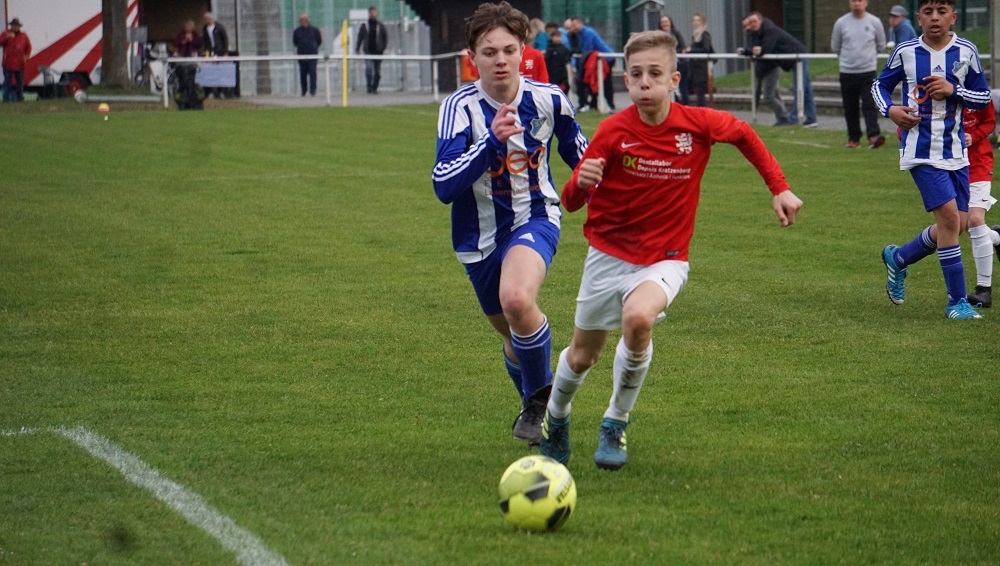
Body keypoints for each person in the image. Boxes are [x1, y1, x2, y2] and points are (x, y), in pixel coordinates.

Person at [539, 29, 802, 471]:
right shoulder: (613, 131)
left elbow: (743, 134)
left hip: (666, 257)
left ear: (674, 80)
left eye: (655, 74)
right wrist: (579, 183)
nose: (645, 82)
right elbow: (570, 202)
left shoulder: (697, 124)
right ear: (626, 80)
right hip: (608, 255)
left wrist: (780, 187)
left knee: (639, 319)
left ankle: (615, 422)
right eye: (636, 74)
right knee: (583, 355)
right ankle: (557, 416)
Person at [431, 1, 589, 445]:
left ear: (523, 49)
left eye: (508, 50)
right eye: (488, 52)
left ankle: (542, 410)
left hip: (535, 217)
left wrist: (612, 203)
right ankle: (536, 406)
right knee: (513, 338)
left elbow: (583, 159)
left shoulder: (549, 100)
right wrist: (489, 143)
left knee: (518, 300)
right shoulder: (459, 108)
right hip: (477, 238)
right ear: (472, 57)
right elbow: (443, 184)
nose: (500, 60)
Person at [872, 0, 992, 319]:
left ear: (953, 17)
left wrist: (954, 90)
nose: (935, 18)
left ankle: (899, 258)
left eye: (941, 11)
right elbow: (879, 85)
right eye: (928, 12)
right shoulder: (906, 51)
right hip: (920, 150)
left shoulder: (966, 51)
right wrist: (891, 110)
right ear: (919, 18)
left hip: (957, 152)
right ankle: (957, 302)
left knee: (959, 225)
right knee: (950, 220)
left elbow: (983, 97)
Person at [740, 12, 817, 127]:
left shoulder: (770, 30)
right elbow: (753, 48)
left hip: (798, 58)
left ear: (761, 20)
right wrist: (750, 49)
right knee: (804, 89)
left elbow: (766, 49)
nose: (751, 25)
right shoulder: (757, 33)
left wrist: (753, 50)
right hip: (791, 60)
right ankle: (811, 119)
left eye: (753, 22)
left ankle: (794, 118)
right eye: (749, 23)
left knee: (800, 88)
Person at [832, 0, 887, 149]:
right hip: (847, 71)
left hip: (867, 71)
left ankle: (873, 136)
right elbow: (836, 46)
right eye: (853, 0)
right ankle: (853, 139)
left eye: (860, 0)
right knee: (850, 107)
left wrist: (868, 59)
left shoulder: (874, 22)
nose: (857, 3)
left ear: (866, 2)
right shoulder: (841, 23)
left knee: (869, 104)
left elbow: (881, 45)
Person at [962, 101, 998, 307]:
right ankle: (997, 237)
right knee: (965, 226)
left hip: (978, 164)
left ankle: (984, 290)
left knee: (975, 220)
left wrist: (973, 136)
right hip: (948, 166)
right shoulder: (934, 91)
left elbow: (989, 122)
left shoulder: (978, 91)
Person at [564, 17, 616, 112]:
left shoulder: (588, 32)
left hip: (606, 58)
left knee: (606, 82)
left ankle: (610, 105)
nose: (573, 28)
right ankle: (593, 104)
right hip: (595, 59)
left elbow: (586, 48)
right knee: (592, 80)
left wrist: (575, 52)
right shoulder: (577, 34)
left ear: (580, 23)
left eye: (574, 25)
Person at [355, 6, 388, 94]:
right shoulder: (365, 25)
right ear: (369, 13)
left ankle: (375, 87)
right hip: (368, 51)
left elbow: (385, 37)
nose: (373, 14)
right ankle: (369, 87)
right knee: (369, 69)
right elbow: (360, 37)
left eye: (374, 12)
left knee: (377, 71)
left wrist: (383, 48)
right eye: (371, 12)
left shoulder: (380, 25)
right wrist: (357, 48)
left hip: (378, 51)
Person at [684, 13, 714, 107]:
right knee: (694, 89)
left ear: (702, 22)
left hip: (701, 67)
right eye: (694, 20)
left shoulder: (704, 34)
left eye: (698, 20)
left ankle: (701, 110)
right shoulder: (695, 34)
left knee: (700, 91)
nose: (695, 22)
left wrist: (691, 50)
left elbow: (706, 49)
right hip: (694, 66)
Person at [658, 16, 689, 105]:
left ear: (670, 22)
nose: (665, 24)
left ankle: (685, 105)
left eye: (666, 22)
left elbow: (683, 47)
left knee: (682, 85)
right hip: (664, 64)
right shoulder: (658, 35)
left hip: (679, 62)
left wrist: (673, 52)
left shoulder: (676, 33)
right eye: (662, 22)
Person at [1, 18, 31, 103]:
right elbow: (0, 42)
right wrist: (7, 37)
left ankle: (19, 98)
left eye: (16, 26)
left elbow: (28, 46)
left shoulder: (23, 36)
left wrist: (26, 56)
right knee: (7, 81)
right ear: (11, 26)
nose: (15, 27)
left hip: (20, 63)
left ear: (19, 27)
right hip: (8, 63)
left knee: (20, 82)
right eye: (13, 25)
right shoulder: (5, 33)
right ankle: (6, 98)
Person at [202, 12, 231, 98]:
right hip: (210, 52)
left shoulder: (219, 27)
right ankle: (210, 91)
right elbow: (205, 40)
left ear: (210, 19)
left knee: (220, 71)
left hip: (219, 52)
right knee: (210, 71)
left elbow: (225, 39)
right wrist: (205, 51)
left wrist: (225, 52)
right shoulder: (205, 28)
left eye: (206, 19)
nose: (205, 21)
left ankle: (221, 91)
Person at [293, 13, 322, 97]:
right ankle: (304, 90)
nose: (302, 22)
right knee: (303, 73)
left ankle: (313, 90)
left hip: (312, 55)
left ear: (307, 20)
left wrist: (314, 47)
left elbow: (319, 41)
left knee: (312, 71)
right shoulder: (297, 31)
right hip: (302, 55)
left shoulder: (314, 30)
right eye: (301, 20)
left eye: (304, 20)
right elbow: (295, 42)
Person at [544, 28, 572, 95]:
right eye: (556, 36)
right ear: (552, 37)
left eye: (559, 37)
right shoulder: (549, 49)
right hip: (551, 75)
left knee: (563, 93)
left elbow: (567, 63)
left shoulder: (564, 49)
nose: (558, 38)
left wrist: (569, 75)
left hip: (562, 76)